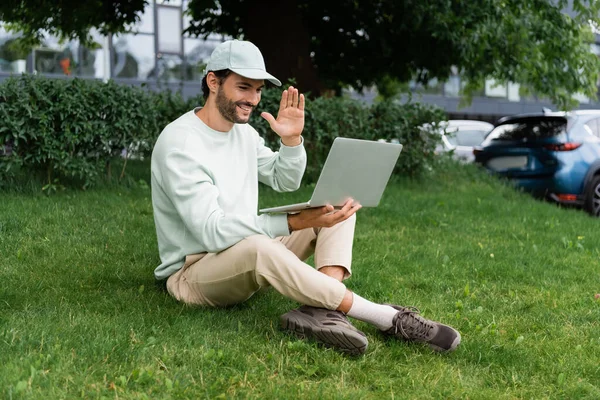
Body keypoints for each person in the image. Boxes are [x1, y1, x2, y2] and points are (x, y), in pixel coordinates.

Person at [151, 40, 461, 355]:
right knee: (261, 246)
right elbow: (211, 232)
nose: (253, 99)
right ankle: (388, 318)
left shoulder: (242, 133)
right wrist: (294, 221)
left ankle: (321, 313)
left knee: (335, 207)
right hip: (194, 273)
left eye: (258, 90)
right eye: (244, 87)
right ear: (213, 81)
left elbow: (284, 179)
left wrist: (291, 140)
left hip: (242, 254)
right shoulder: (181, 143)